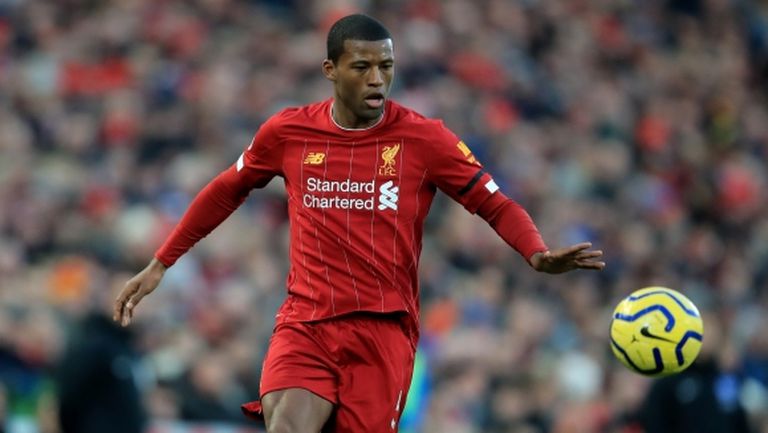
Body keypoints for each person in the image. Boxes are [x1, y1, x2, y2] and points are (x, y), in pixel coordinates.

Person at [114, 13, 605, 433]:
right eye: (362, 67)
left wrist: (535, 252)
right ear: (330, 70)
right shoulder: (288, 132)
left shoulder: (425, 140)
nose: (376, 79)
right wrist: (162, 262)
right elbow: (227, 189)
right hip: (306, 321)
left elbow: (494, 203)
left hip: (382, 332)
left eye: (386, 67)